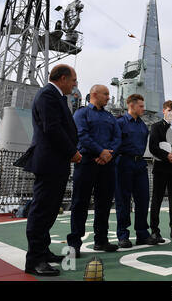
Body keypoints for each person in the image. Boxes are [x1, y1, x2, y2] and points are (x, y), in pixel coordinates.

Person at [24, 64, 81, 276]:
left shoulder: (55, 96)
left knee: (49, 210)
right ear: (63, 78)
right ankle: (34, 260)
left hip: (55, 161)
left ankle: (43, 251)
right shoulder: (48, 95)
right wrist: (72, 152)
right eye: (74, 79)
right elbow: (53, 128)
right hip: (50, 161)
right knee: (41, 211)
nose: (75, 84)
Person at [67, 84, 121, 257]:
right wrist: (101, 152)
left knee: (104, 203)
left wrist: (108, 154)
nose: (108, 97)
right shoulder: (81, 113)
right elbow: (82, 135)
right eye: (105, 94)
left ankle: (101, 240)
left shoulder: (110, 117)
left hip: (107, 164)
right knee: (79, 203)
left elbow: (118, 137)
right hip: (86, 162)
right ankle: (74, 243)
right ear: (94, 94)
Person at [115, 94, 158, 247]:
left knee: (143, 199)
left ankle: (142, 234)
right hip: (123, 162)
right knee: (123, 200)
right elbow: (115, 143)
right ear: (131, 106)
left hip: (140, 163)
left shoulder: (142, 125)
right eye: (140, 106)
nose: (143, 108)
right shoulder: (120, 123)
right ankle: (123, 235)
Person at [149, 100, 172, 242]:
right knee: (157, 199)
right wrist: (167, 156)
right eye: (170, 110)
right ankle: (155, 231)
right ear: (164, 110)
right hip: (160, 168)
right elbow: (153, 146)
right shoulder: (156, 127)